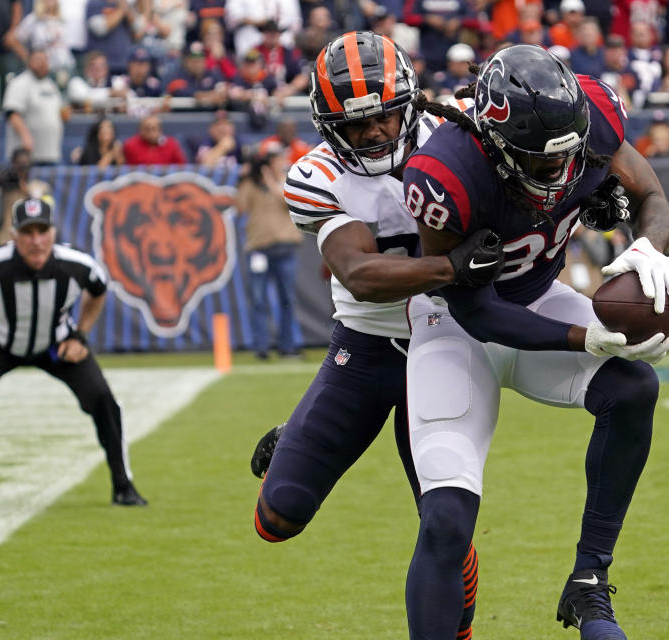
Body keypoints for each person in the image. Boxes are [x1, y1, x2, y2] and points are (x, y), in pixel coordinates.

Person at [400, 44, 669, 640]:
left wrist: (647, 247)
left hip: (537, 295)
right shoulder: (445, 173)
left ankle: (589, 581)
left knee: (633, 387)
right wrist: (586, 336)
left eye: (571, 158)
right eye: (539, 163)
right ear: (495, 143)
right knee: (447, 519)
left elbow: (653, 199)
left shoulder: (593, 119)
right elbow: (475, 309)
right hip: (454, 324)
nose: (559, 175)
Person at [249, 32, 502, 640]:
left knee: (444, 524)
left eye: (385, 115)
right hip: (365, 346)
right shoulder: (316, 175)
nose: (374, 134)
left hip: (447, 345)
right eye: (355, 124)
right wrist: (453, 267)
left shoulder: (458, 131)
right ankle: (297, 436)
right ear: (327, 125)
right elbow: (361, 277)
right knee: (277, 517)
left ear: (409, 102)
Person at [0, 197, 147, 506]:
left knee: (104, 400)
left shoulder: (76, 265)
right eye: (28, 232)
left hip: (55, 344)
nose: (36, 240)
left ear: (54, 232)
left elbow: (98, 289)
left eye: (43, 231)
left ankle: (123, 485)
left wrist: (80, 335)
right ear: (14, 235)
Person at [234, 143, 303, 359]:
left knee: (288, 299)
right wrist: (243, 178)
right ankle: (261, 347)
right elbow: (238, 208)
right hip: (259, 249)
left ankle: (288, 346)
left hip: (285, 247)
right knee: (258, 300)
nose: (275, 162)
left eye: (277, 158)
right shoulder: (251, 183)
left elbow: (288, 202)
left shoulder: (288, 180)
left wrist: (272, 180)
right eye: (271, 159)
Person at [2, 48, 67, 165]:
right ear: (29, 61)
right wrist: (25, 137)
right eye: (39, 60)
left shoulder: (51, 85)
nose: (43, 63)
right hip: (25, 157)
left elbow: (60, 113)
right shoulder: (20, 83)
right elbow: (12, 113)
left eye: (45, 60)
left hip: (51, 153)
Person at [122, 114, 187, 165]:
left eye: (154, 128)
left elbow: (181, 167)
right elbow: (127, 170)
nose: (151, 132)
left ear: (160, 130)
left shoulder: (171, 144)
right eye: (147, 129)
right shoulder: (131, 145)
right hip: (139, 180)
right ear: (140, 130)